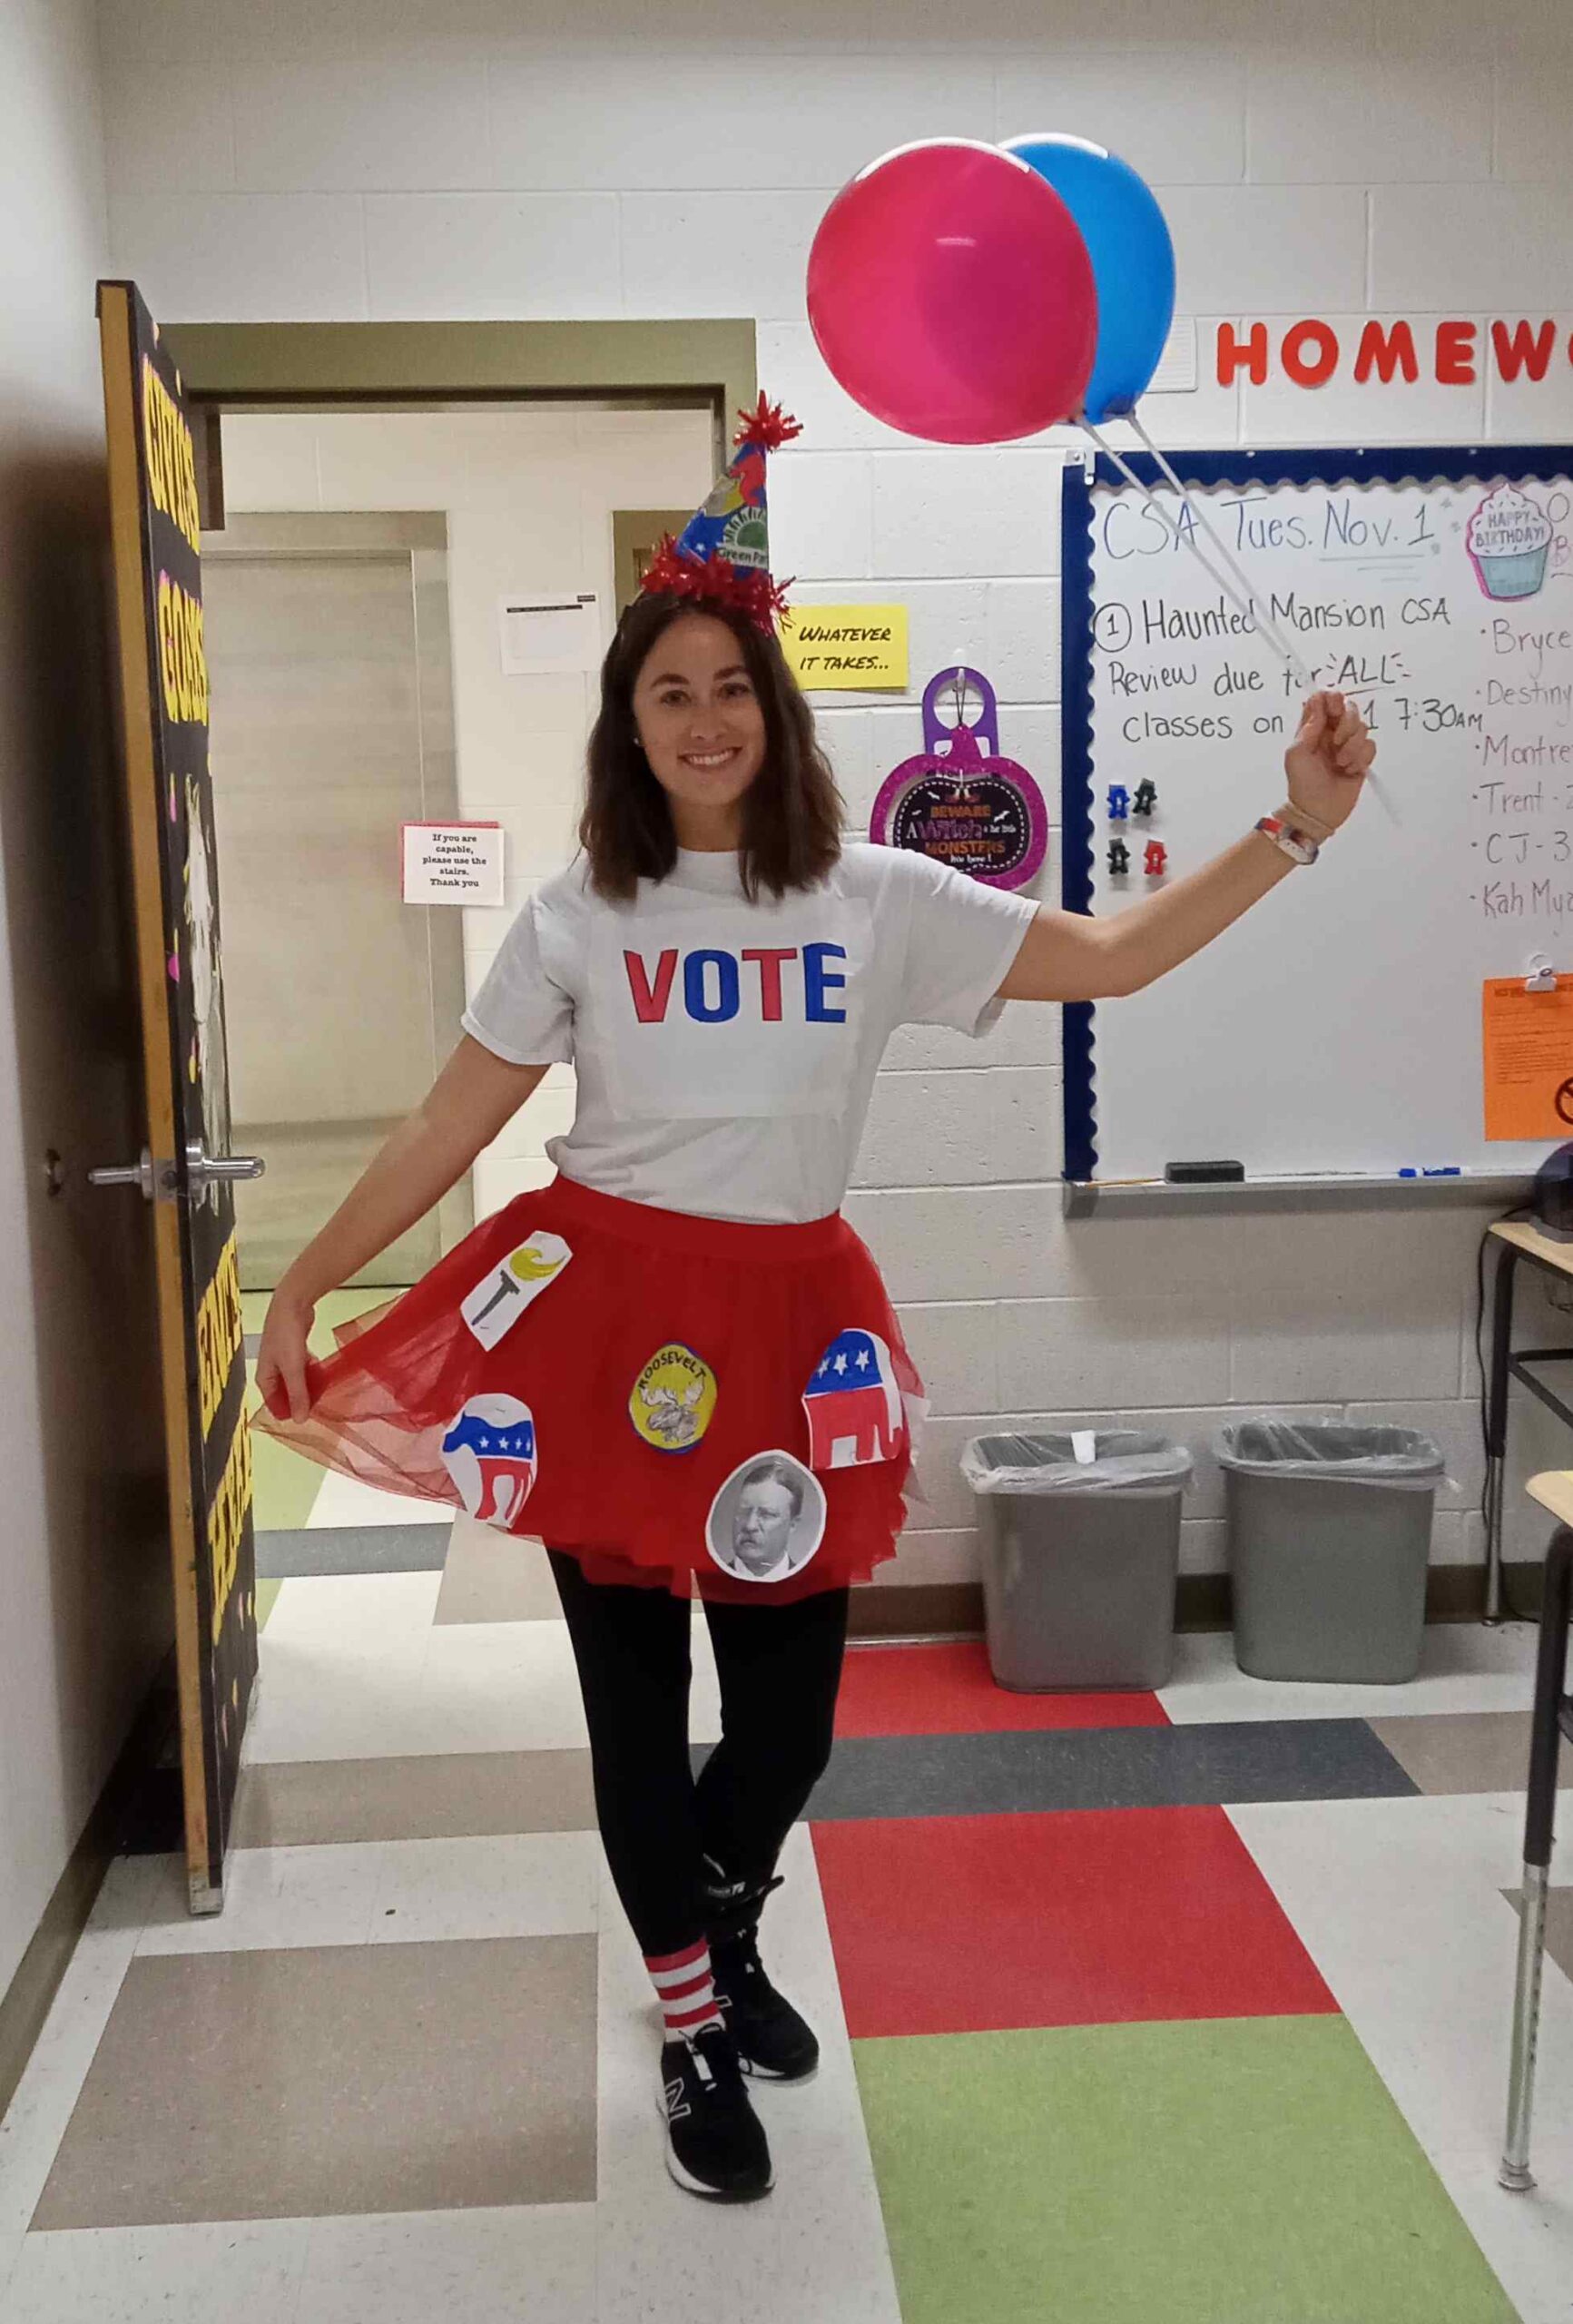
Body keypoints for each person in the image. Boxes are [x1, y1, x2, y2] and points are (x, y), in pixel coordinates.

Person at [255, 399, 1374, 2207]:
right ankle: (697, 2017)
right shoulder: (576, 913)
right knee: (634, 1714)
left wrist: (1295, 829)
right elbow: (447, 1119)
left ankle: (720, 1914)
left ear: (775, 713)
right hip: (599, 1339)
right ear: (629, 730)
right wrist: (309, 1271)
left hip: (787, 1341)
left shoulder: (877, 897)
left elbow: (1112, 954)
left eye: (732, 685)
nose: (704, 716)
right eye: (668, 690)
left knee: (787, 1725)